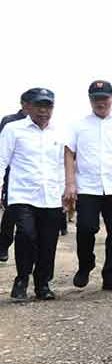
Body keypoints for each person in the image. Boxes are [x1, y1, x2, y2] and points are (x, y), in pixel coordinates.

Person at [63, 80, 112, 292]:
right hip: (87, 186)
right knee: (86, 227)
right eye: (96, 99)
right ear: (90, 100)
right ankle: (86, 264)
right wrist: (70, 183)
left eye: (104, 98)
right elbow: (69, 153)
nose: (101, 103)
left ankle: (111, 274)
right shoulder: (78, 125)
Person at [0, 88, 65, 301]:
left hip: (51, 196)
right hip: (23, 195)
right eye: (39, 106)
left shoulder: (59, 132)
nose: (44, 111)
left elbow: (62, 165)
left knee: (48, 242)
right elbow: (2, 161)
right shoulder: (13, 129)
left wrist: (66, 191)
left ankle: (42, 283)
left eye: (48, 106)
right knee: (26, 235)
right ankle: (22, 279)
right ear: (28, 107)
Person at [0, 89, 35, 262]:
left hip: (34, 178)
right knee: (11, 212)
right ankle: (4, 244)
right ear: (23, 104)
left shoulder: (44, 122)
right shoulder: (10, 122)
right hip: (12, 176)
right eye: (31, 103)